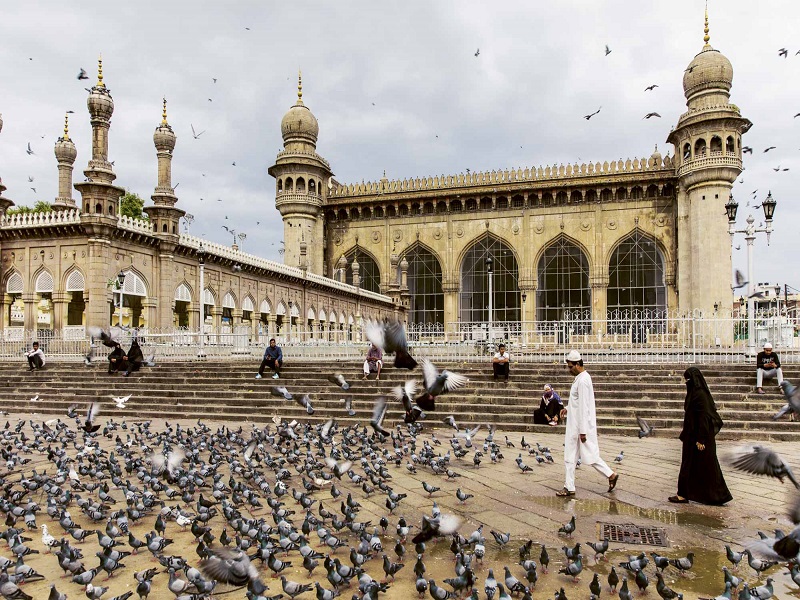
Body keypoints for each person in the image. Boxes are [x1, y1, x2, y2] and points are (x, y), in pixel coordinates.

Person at [557, 350, 618, 497]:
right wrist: (567, 408)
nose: (569, 370)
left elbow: (584, 406)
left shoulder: (583, 380)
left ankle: (570, 486)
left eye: (571, 367)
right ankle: (609, 475)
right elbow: (577, 402)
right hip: (576, 423)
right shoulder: (581, 378)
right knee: (579, 455)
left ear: (578, 364)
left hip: (578, 425)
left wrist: (583, 431)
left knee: (578, 456)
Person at [670, 367, 731, 505]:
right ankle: (684, 494)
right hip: (692, 435)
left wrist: (701, 439)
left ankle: (716, 496)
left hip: (699, 437)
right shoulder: (695, 393)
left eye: (688, 380)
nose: (686, 382)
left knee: (706, 466)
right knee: (692, 465)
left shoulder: (700, 395)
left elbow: (704, 417)